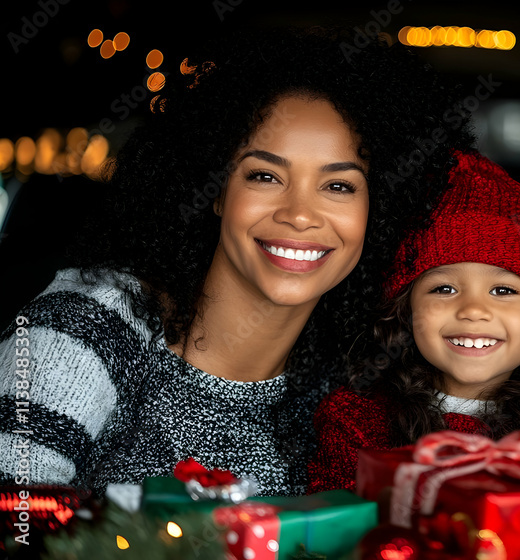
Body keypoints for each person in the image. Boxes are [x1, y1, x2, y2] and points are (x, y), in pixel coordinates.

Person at [0, 27, 472, 497]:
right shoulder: (90, 323)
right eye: (265, 176)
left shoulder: (347, 392)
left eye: (339, 186)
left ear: (377, 212)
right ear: (216, 193)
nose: (300, 214)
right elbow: (14, 522)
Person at [308, 151, 520, 493]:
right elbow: (334, 531)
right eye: (444, 288)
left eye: (503, 290)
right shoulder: (356, 421)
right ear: (406, 312)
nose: (473, 310)